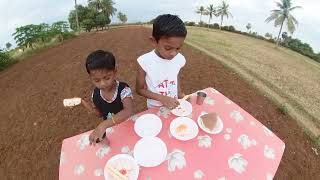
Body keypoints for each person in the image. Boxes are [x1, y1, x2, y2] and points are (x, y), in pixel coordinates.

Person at [81, 50, 133, 145]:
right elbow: (100, 114)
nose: (103, 83)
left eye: (107, 78)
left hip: (127, 126)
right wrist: (86, 105)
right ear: (90, 78)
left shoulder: (123, 90)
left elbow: (128, 111)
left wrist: (103, 125)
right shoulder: (95, 95)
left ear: (115, 72)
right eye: (97, 80)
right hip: (110, 130)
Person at [136, 14, 188, 109]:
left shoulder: (179, 59)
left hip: (174, 104)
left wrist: (179, 92)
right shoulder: (144, 61)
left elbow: (175, 75)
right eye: (168, 48)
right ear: (154, 41)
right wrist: (162, 98)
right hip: (154, 107)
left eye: (178, 48)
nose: (173, 53)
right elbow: (139, 90)